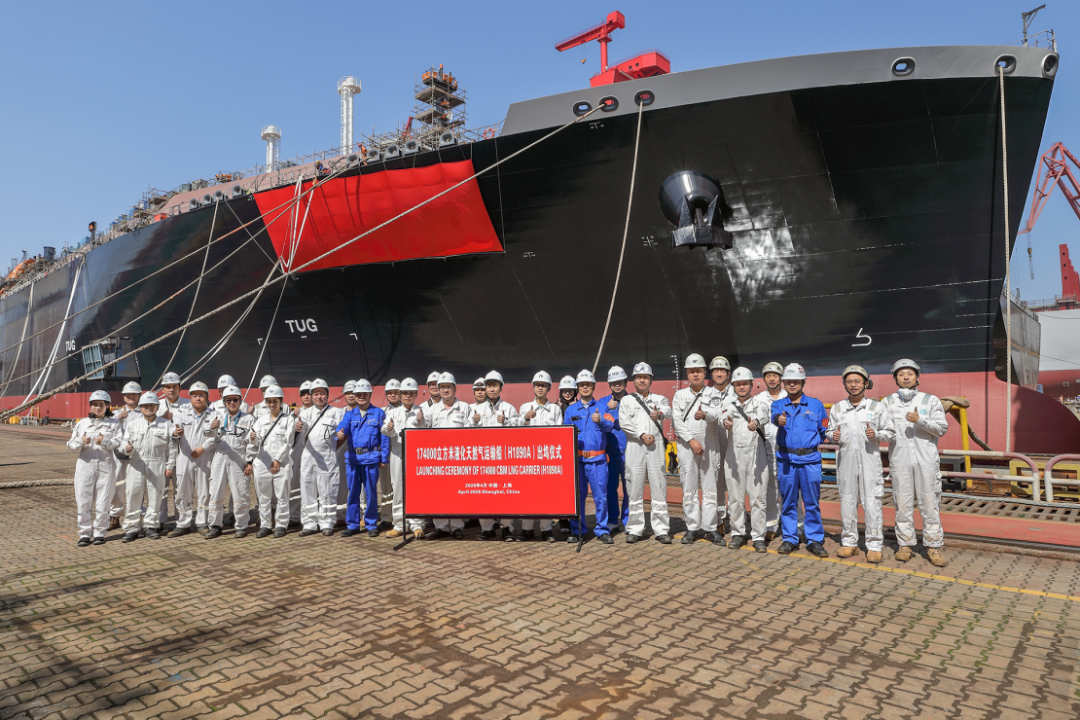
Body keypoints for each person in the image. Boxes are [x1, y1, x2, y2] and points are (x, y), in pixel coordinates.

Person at [882, 359, 949, 567]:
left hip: (926, 460)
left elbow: (941, 429)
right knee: (902, 504)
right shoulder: (887, 402)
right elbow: (884, 430)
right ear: (895, 378)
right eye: (901, 374)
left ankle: (933, 546)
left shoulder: (930, 400)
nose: (905, 377)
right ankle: (905, 545)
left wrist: (919, 420)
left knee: (929, 504)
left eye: (909, 374)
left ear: (917, 377)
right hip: (900, 459)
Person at [828, 366, 893, 563]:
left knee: (872, 503)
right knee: (847, 502)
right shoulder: (838, 408)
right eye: (849, 381)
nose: (853, 385)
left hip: (870, 462)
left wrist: (877, 434)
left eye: (857, 381)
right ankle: (849, 543)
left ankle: (874, 546)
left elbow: (890, 432)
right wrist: (832, 436)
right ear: (844, 384)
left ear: (865, 383)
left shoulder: (877, 407)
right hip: (846, 462)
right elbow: (829, 431)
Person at [771, 363, 828, 557]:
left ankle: (814, 540)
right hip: (786, 460)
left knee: (812, 502)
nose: (792, 384)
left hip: (810, 461)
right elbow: (774, 416)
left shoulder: (816, 405)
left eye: (796, 381)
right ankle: (790, 539)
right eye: (788, 381)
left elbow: (824, 431)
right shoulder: (778, 405)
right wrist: (779, 420)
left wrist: (812, 444)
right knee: (788, 502)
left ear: (803, 382)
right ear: (784, 383)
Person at [671, 354, 725, 546]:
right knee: (689, 488)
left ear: (704, 373)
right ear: (687, 373)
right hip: (687, 446)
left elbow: (717, 413)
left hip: (709, 444)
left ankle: (711, 528)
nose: (695, 374)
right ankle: (692, 528)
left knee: (711, 488)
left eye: (699, 371)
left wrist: (705, 414)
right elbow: (676, 421)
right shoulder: (679, 395)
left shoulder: (713, 393)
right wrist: (692, 440)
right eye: (692, 371)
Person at [619, 363, 672, 544]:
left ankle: (661, 529)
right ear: (634, 380)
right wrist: (641, 435)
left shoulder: (660, 399)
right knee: (634, 488)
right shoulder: (627, 401)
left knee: (659, 487)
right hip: (636, 446)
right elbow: (624, 423)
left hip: (655, 447)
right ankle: (635, 529)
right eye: (639, 377)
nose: (642, 380)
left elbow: (668, 411)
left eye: (646, 377)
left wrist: (660, 414)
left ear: (651, 380)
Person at [720, 367, 771, 553]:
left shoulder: (760, 403)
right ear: (733, 386)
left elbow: (764, 415)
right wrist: (724, 422)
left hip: (757, 456)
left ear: (751, 384)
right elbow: (722, 417)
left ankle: (758, 536)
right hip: (734, 456)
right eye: (738, 384)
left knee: (758, 498)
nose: (741, 387)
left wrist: (756, 422)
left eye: (745, 384)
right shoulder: (728, 404)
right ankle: (737, 534)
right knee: (735, 498)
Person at [564, 370, 615, 545]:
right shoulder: (570, 410)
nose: (585, 387)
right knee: (578, 498)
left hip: (598, 461)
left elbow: (610, 426)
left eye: (588, 384)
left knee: (601, 497)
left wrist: (600, 420)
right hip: (578, 461)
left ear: (593, 386)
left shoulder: (602, 407)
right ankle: (577, 530)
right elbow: (565, 434)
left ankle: (602, 530)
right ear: (577, 388)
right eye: (581, 385)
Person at [120, 392, 178, 542]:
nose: (148, 408)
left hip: (157, 463)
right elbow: (124, 443)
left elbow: (172, 447)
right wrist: (126, 448)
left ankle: (151, 527)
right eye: (145, 405)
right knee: (133, 496)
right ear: (140, 407)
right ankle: (132, 529)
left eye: (151, 405)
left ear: (157, 407)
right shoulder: (133, 425)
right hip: (136, 463)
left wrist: (170, 465)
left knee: (155, 497)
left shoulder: (166, 424)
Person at [67, 390, 121, 546]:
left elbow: (118, 443)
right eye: (95, 404)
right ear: (90, 406)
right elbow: (70, 444)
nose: (98, 407)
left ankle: (99, 533)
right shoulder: (82, 423)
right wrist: (81, 441)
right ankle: (84, 533)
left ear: (107, 406)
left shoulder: (114, 424)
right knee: (83, 500)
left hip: (106, 466)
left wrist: (105, 442)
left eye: (101, 404)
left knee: (104, 501)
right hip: (85, 467)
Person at [336, 379, 389, 537]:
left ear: (370, 395)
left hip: (371, 458)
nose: (361, 397)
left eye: (364, 394)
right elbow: (342, 426)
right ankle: (352, 524)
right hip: (353, 459)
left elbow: (384, 436)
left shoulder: (378, 413)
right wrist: (339, 433)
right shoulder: (349, 414)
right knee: (353, 492)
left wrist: (384, 457)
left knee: (371, 492)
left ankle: (371, 524)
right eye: (358, 394)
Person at [470, 370, 519, 540]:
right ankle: (487, 528)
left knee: (506, 493)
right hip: (483, 458)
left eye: (495, 385)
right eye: (489, 386)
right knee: (484, 493)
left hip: (503, 458)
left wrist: (506, 422)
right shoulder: (476, 409)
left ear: (501, 388)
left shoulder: (509, 408)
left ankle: (507, 528)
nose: (492, 389)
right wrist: (474, 422)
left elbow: (518, 431)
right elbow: (467, 433)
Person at [516, 371, 563, 541]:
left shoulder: (555, 409)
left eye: (543, 385)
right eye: (537, 385)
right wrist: (526, 419)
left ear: (549, 388)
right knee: (528, 494)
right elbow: (517, 432)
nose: (540, 388)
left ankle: (546, 529)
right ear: (533, 388)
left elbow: (559, 433)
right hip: (529, 457)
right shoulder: (524, 408)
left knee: (547, 494)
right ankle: (527, 529)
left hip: (548, 457)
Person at [294, 379, 345, 536]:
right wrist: (298, 427)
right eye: (316, 394)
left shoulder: (337, 412)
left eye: (322, 394)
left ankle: (327, 523)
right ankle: (309, 523)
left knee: (328, 489)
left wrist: (335, 442)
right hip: (308, 456)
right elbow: (300, 427)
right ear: (312, 396)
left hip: (327, 456)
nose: (319, 397)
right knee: (307, 488)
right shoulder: (305, 413)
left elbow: (342, 433)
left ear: (327, 395)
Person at [382, 377, 429, 539]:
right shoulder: (392, 412)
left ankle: (417, 525)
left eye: (411, 393)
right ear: (401, 395)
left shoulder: (422, 411)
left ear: (416, 394)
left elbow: (427, 430)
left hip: (416, 457)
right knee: (398, 491)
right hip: (397, 456)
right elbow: (384, 430)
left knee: (417, 490)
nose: (408, 396)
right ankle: (399, 525)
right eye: (405, 393)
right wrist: (389, 428)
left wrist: (421, 421)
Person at [205, 385, 254, 539]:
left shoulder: (249, 419)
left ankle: (241, 526)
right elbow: (207, 434)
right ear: (224, 402)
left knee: (240, 493)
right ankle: (215, 526)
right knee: (215, 492)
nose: (232, 402)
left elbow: (253, 443)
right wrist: (211, 428)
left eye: (235, 400)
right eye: (228, 400)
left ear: (240, 401)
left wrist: (249, 461)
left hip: (239, 459)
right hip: (220, 457)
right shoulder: (218, 417)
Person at [426, 373, 470, 539]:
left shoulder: (465, 407)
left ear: (454, 388)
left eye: (448, 387)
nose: (445, 390)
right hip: (438, 458)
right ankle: (441, 527)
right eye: (442, 387)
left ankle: (457, 526)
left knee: (457, 492)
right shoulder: (431, 410)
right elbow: (423, 431)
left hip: (458, 457)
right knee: (438, 493)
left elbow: (471, 432)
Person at [248, 384, 295, 538]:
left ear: (281, 401)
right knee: (264, 497)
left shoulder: (288, 420)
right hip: (262, 463)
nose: (272, 404)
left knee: (282, 497)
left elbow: (288, 442)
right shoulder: (260, 421)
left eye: (275, 401)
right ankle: (266, 525)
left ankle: (281, 525)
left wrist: (278, 460)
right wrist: (253, 438)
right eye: (269, 401)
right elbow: (253, 443)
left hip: (282, 464)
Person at [170, 381, 216, 537]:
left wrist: (203, 448)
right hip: (185, 457)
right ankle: (183, 523)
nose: (198, 398)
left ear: (207, 397)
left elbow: (217, 436)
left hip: (205, 457)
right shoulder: (181, 413)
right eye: (195, 395)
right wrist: (175, 433)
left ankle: (203, 523)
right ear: (190, 397)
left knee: (205, 491)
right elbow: (172, 429)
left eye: (201, 395)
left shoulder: (214, 414)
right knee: (183, 491)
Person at [757, 362, 789, 540]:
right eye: (768, 376)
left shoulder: (789, 397)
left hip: (787, 450)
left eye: (775, 375)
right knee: (769, 490)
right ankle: (771, 525)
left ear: (781, 378)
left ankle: (794, 526)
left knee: (790, 489)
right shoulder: (759, 398)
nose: (771, 379)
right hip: (766, 449)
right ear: (764, 378)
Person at [156, 371, 190, 529]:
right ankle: (159, 520)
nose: (171, 390)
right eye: (168, 387)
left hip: (183, 453)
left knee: (181, 489)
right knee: (160, 489)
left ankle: (182, 520)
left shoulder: (188, 405)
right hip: (162, 454)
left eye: (174, 386)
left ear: (180, 388)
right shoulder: (156, 406)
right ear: (163, 389)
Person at [598, 366, 629, 534]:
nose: (617, 385)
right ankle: (612, 519)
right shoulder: (603, 402)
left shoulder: (633, 401)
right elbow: (595, 417)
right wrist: (607, 407)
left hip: (630, 451)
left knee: (629, 488)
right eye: (614, 382)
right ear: (609, 384)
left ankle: (628, 520)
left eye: (620, 381)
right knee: (610, 487)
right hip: (609, 452)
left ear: (625, 382)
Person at [109, 381, 143, 530]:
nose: (131, 397)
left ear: (139, 396)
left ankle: (136, 519)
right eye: (128, 395)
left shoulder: (145, 413)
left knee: (136, 488)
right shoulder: (115, 414)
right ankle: (114, 517)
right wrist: (118, 418)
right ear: (123, 397)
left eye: (134, 394)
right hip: (119, 456)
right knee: (117, 487)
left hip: (138, 457)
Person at [709, 356, 733, 534]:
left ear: (728, 374)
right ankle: (720, 519)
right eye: (716, 371)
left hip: (734, 445)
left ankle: (736, 520)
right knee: (717, 486)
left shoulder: (737, 393)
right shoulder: (706, 395)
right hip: (714, 445)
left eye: (722, 371)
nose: (719, 374)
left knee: (734, 485)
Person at [379, 379, 402, 528]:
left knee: (403, 487)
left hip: (401, 454)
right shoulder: (381, 412)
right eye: (390, 393)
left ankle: (405, 516)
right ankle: (387, 517)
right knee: (386, 487)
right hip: (385, 455)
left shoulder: (407, 410)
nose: (393, 395)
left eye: (396, 392)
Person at [290, 380, 313, 526]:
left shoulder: (319, 412)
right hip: (298, 451)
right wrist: (293, 419)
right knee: (295, 484)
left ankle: (312, 516)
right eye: (303, 394)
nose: (306, 396)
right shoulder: (294, 414)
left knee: (313, 484)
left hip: (314, 451)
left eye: (309, 393)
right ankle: (293, 516)